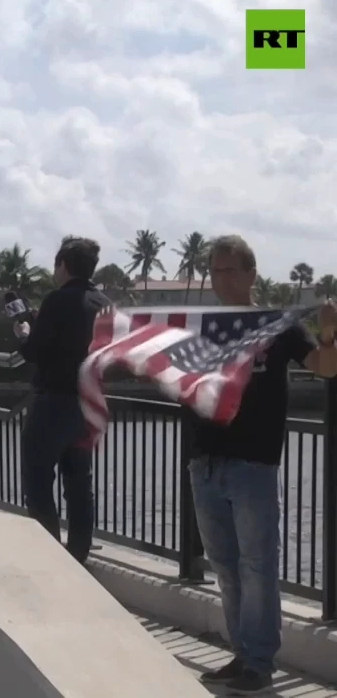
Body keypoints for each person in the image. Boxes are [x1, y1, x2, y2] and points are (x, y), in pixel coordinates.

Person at [189, 235, 337, 693]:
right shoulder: (201, 326)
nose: (221, 279)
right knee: (225, 566)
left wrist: (330, 333)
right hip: (204, 460)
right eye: (214, 270)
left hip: (253, 461)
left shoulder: (277, 324)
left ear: (252, 274)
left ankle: (258, 662)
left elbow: (324, 366)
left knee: (257, 566)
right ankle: (242, 655)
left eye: (230, 270)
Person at [13, 236, 111, 564]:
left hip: (54, 403)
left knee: (38, 479)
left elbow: (35, 351)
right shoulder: (104, 303)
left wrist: (24, 333)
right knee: (79, 483)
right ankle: (78, 555)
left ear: (63, 266)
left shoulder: (57, 300)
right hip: (89, 405)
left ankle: (50, 556)